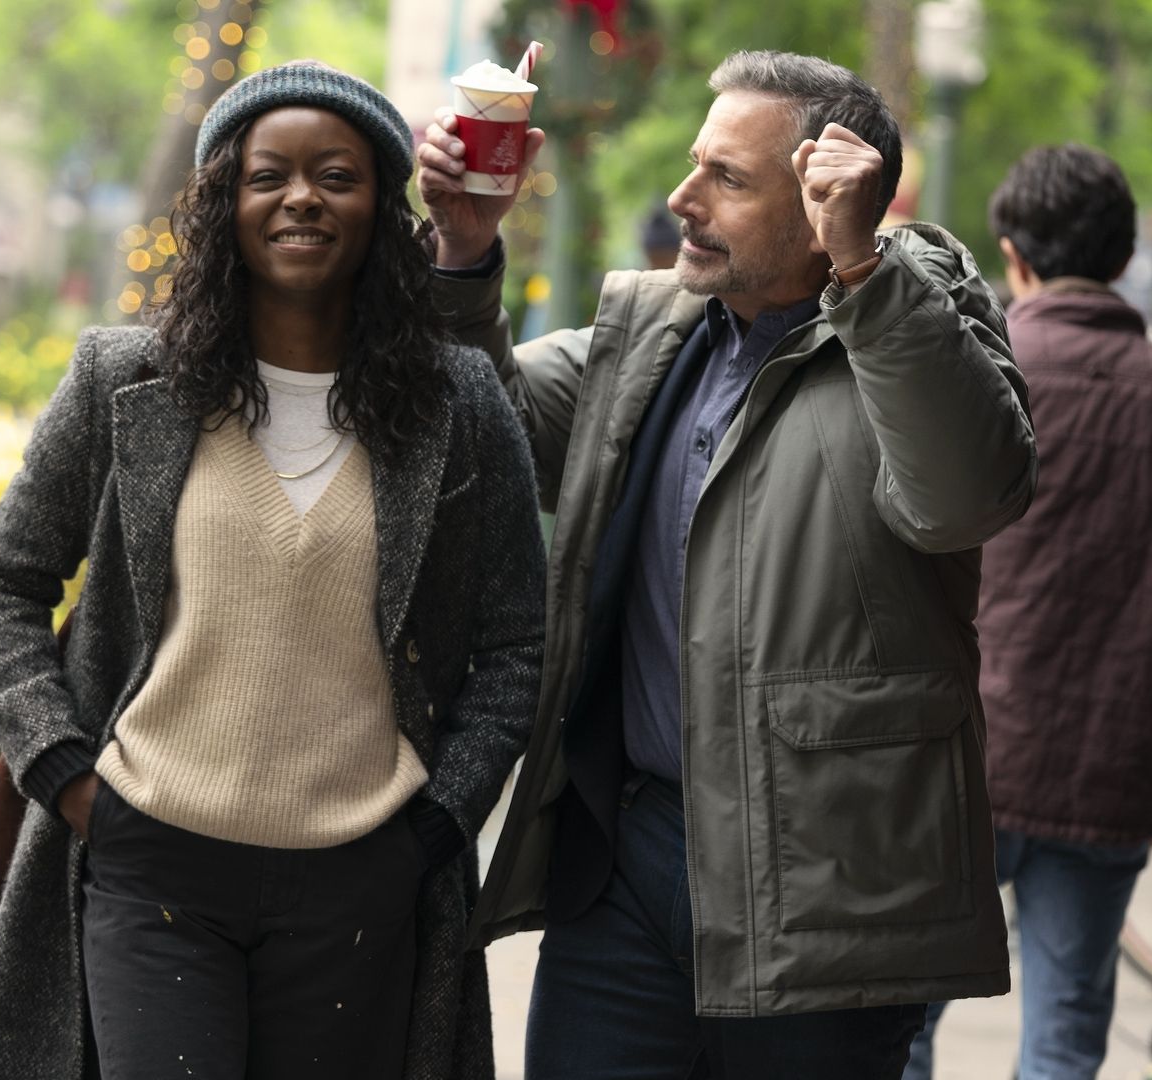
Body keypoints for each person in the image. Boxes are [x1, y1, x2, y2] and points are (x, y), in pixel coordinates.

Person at [417, 50, 1036, 1079]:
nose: (682, 199)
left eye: (727, 180)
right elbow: (492, 433)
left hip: (827, 898)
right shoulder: (651, 328)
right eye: (697, 165)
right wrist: (465, 252)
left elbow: (966, 496)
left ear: (826, 203)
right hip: (621, 872)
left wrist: (866, 276)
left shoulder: (919, 320)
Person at [0, 62, 546, 1080]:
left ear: (380, 208)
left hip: (361, 881)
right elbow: (2, 577)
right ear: (222, 201)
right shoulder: (123, 379)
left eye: (337, 176)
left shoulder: (456, 404)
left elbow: (515, 641)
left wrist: (437, 825)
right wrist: (65, 772)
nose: (302, 198)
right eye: (268, 176)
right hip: (153, 867)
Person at [904, 145, 1152, 1080]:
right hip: (1117, 768)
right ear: (1122, 255)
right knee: (1066, 1036)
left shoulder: (966, 374)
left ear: (1012, 255)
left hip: (959, 764)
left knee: (895, 1030)